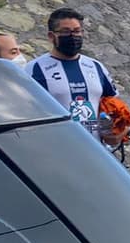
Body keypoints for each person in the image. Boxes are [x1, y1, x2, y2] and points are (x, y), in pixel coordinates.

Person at [28, 8, 120, 142]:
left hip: (96, 151)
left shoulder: (96, 66)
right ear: (51, 36)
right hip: (55, 150)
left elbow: (112, 104)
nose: (72, 36)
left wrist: (114, 131)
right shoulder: (34, 69)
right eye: (66, 32)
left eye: (77, 31)